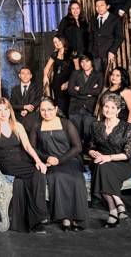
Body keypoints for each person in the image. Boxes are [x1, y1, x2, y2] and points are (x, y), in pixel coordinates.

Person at [0, 98, 48, 233]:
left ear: (10, 110)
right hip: (5, 164)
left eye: (5, 109)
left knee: (33, 177)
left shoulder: (17, 125)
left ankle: (33, 218)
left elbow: (27, 146)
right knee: (34, 175)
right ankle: (39, 216)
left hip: (21, 161)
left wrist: (38, 161)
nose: (3, 113)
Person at [29, 97, 88, 231]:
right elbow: (32, 148)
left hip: (69, 159)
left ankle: (77, 218)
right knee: (56, 177)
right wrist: (47, 158)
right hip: (49, 162)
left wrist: (60, 160)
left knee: (76, 179)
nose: (46, 113)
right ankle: (65, 218)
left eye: (50, 109)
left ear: (56, 109)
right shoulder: (37, 126)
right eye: (43, 110)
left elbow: (77, 147)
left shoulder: (66, 124)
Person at [88, 93, 131, 228]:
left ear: (118, 110)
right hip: (100, 161)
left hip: (122, 164)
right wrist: (93, 153)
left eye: (112, 107)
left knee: (102, 166)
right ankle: (116, 206)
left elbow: (128, 154)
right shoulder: (95, 126)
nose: (108, 110)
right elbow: (90, 146)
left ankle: (114, 208)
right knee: (102, 166)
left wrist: (108, 158)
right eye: (106, 107)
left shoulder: (128, 128)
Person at [67, 55, 104, 143]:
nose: (84, 64)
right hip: (75, 108)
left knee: (88, 135)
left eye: (87, 61)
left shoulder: (99, 75)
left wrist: (79, 89)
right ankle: (77, 151)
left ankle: (87, 150)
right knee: (75, 135)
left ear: (92, 62)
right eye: (82, 62)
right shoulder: (75, 73)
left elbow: (98, 91)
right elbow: (70, 91)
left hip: (90, 109)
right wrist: (88, 94)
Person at [90, 0, 125, 73]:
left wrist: (112, 51)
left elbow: (119, 37)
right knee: (97, 77)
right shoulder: (93, 19)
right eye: (97, 6)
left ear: (107, 6)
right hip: (96, 56)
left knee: (108, 76)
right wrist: (91, 52)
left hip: (108, 54)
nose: (99, 8)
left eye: (102, 5)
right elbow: (91, 37)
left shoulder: (115, 19)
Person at [43, 36, 74, 116]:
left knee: (67, 105)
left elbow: (77, 70)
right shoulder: (54, 54)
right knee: (59, 105)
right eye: (55, 42)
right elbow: (46, 68)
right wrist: (45, 76)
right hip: (56, 83)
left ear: (63, 40)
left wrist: (68, 83)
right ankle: (60, 119)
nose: (57, 43)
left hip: (69, 82)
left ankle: (66, 120)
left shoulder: (72, 52)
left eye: (58, 41)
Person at [57, 1, 90, 69]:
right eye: (73, 8)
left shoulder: (83, 21)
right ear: (70, 10)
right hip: (71, 53)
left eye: (77, 8)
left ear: (80, 9)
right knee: (73, 72)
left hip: (83, 52)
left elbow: (87, 37)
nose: (75, 10)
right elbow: (60, 35)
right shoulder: (65, 20)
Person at [9, 66, 41, 132]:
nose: (25, 76)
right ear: (19, 75)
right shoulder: (14, 89)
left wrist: (27, 110)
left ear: (31, 76)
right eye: (23, 73)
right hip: (18, 120)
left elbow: (38, 101)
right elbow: (11, 104)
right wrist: (24, 107)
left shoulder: (37, 88)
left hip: (33, 120)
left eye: (28, 73)